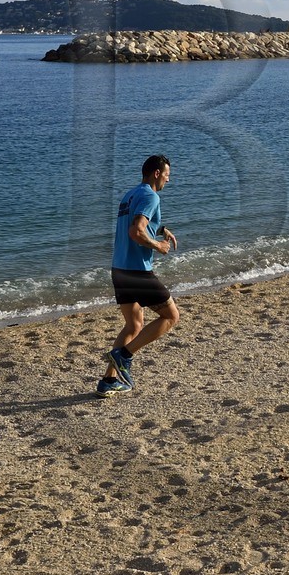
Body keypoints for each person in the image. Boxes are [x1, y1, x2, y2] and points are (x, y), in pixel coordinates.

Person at [98, 155, 179, 398]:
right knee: (171, 316)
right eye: (167, 174)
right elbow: (136, 231)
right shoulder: (151, 196)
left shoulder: (130, 195)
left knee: (134, 325)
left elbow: (135, 222)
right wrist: (158, 246)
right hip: (137, 272)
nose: (168, 178)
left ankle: (108, 381)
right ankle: (125, 356)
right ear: (156, 173)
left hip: (119, 270)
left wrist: (161, 229)